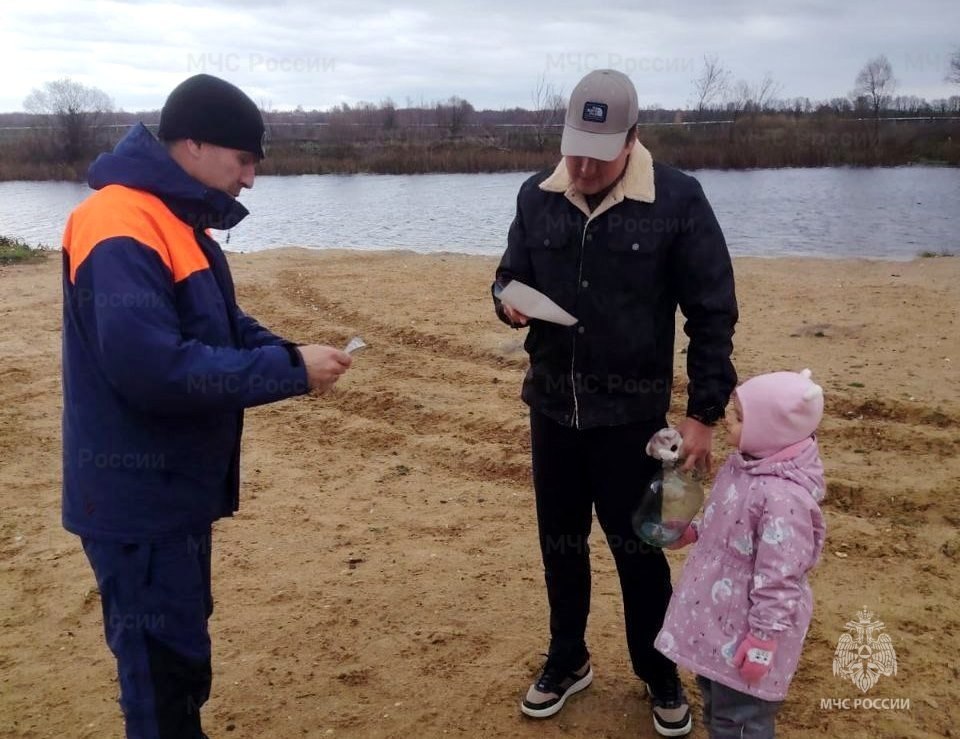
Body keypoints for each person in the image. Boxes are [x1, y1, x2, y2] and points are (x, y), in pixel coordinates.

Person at [61, 73, 352, 738]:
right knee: (159, 679)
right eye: (243, 160)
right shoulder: (118, 222)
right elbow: (154, 369)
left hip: (172, 496)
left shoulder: (176, 222)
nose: (250, 179)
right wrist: (288, 369)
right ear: (192, 145)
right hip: (135, 501)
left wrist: (293, 352)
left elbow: (222, 326)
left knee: (182, 662)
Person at [492, 68, 738, 736]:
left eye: (598, 155)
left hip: (631, 421)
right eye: (574, 149)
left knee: (639, 550)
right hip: (552, 409)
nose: (582, 166)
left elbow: (712, 312)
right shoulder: (534, 197)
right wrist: (508, 303)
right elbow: (507, 276)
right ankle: (568, 658)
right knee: (560, 544)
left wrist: (702, 414)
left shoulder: (679, 200)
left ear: (633, 138)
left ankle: (658, 670)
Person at [655, 369, 827, 738]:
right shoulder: (743, 465)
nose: (728, 420)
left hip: (748, 634)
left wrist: (763, 643)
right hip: (719, 625)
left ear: (771, 430)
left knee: (741, 720)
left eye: (739, 416)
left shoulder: (784, 500)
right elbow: (728, 521)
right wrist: (694, 531)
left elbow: (781, 580)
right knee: (717, 706)